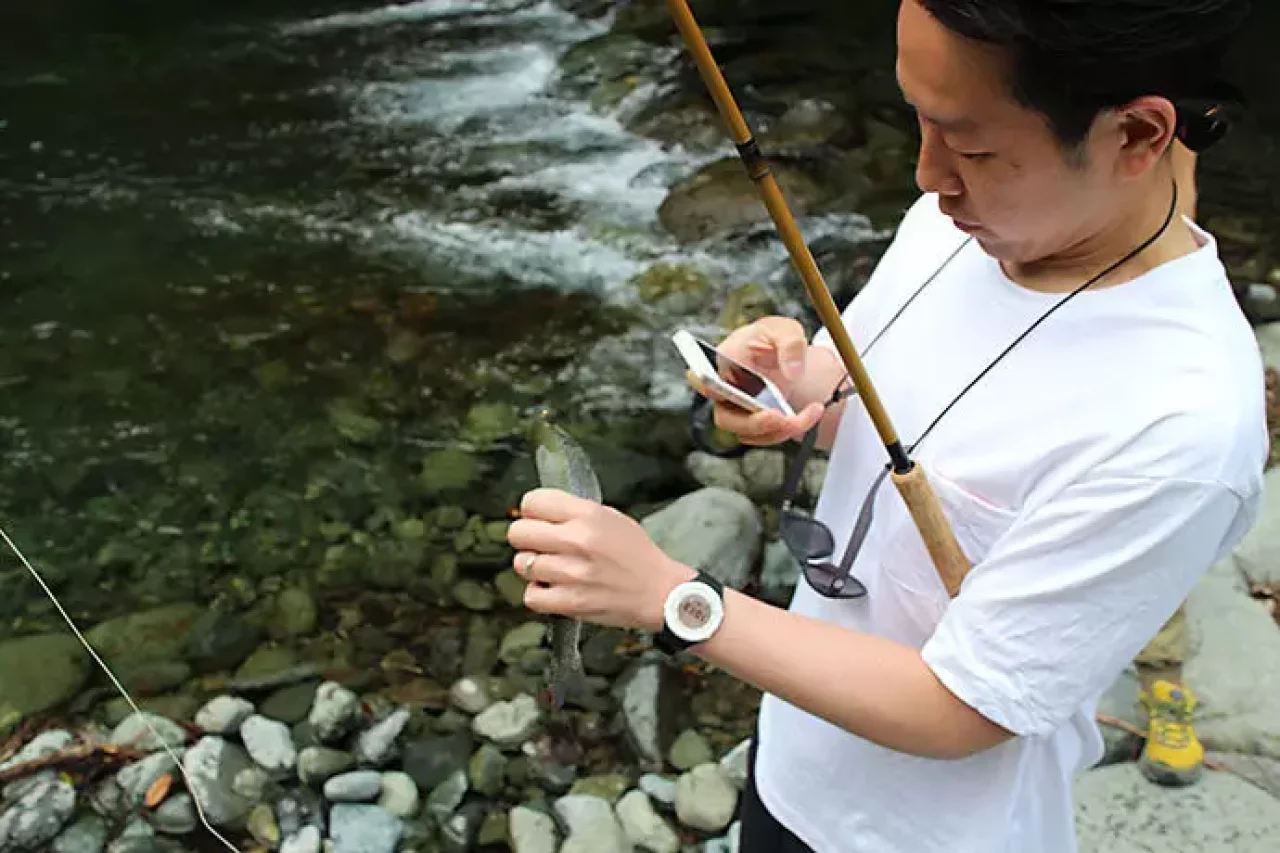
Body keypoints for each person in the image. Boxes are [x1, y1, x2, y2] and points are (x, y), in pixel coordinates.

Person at [506, 0, 1268, 850]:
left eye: (972, 145)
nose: (926, 175)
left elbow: (964, 706)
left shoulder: (1180, 428)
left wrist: (673, 597)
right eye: (917, 119)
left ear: (1137, 136)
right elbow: (858, 398)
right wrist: (791, 386)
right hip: (791, 766)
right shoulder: (964, 222)